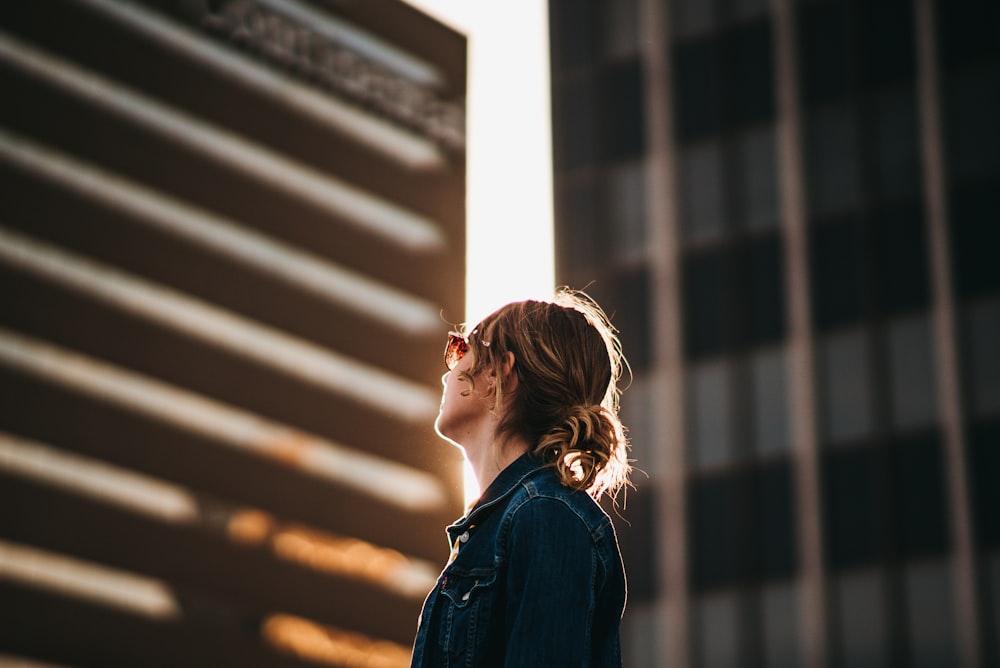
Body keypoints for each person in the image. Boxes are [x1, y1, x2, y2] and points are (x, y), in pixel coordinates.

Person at [410, 289, 632, 667]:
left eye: (462, 349)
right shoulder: (506, 522)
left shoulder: (545, 513)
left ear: (501, 373)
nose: (449, 369)